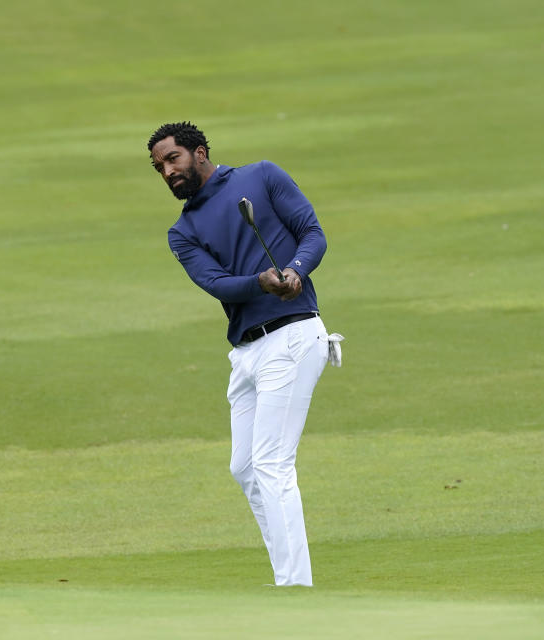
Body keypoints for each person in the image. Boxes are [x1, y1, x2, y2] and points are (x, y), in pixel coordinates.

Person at [147, 121, 332, 587]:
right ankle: (287, 575)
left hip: (292, 336)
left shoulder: (262, 176)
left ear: (200, 152)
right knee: (246, 468)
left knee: (271, 463)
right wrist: (260, 282)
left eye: (173, 159)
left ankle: (295, 585)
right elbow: (215, 283)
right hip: (247, 352)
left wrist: (294, 270)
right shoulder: (182, 232)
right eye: (159, 167)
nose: (167, 172)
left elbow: (312, 233)